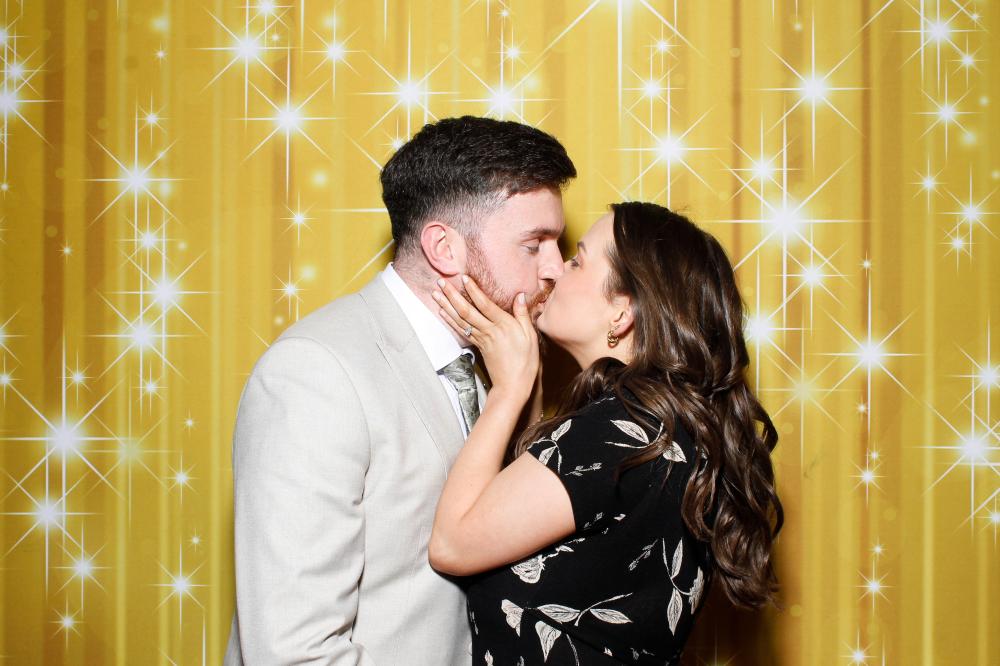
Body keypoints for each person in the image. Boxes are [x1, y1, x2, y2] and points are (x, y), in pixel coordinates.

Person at [223, 116, 576, 664]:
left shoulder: (495, 362)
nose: (555, 268)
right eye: (534, 245)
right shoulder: (315, 373)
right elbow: (294, 653)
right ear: (444, 248)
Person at [429, 201, 784, 665]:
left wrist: (508, 390)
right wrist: (529, 382)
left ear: (622, 312)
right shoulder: (663, 426)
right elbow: (550, 531)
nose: (554, 270)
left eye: (577, 261)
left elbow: (452, 544)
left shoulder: (616, 433)